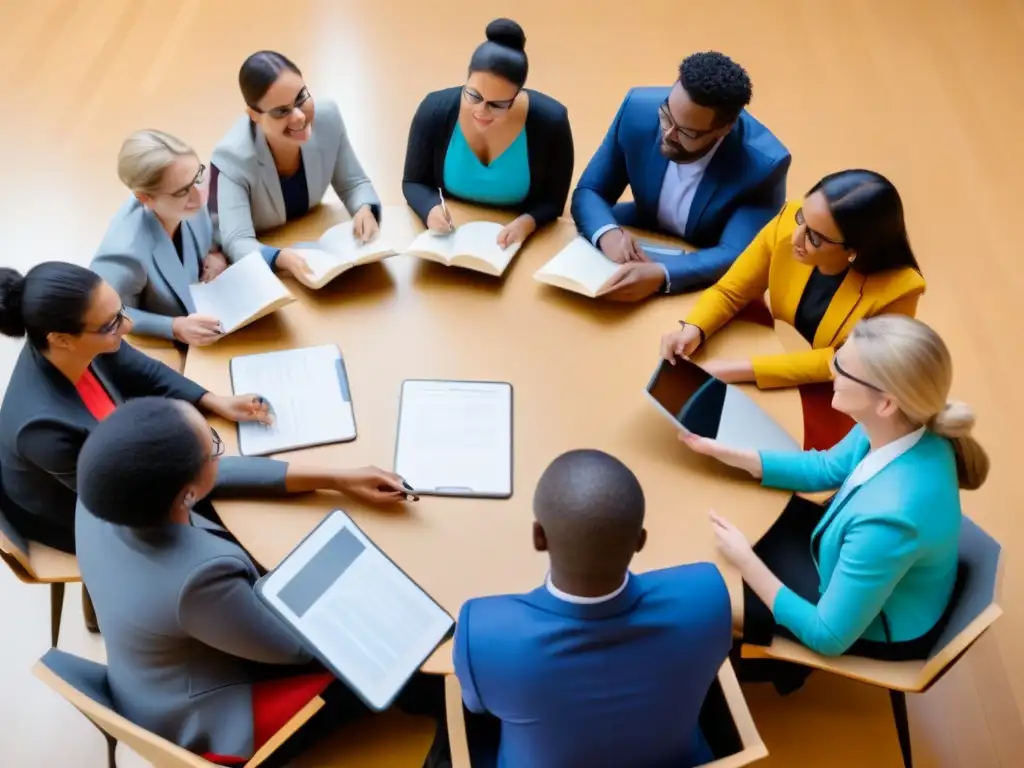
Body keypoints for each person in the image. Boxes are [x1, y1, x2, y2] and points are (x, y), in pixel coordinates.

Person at [75, 398, 446, 767]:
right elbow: (294, 649)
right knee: (405, 664)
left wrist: (337, 478)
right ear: (186, 492)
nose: (220, 456)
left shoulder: (107, 490)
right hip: (213, 715)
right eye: (214, 448)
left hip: (157, 674)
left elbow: (218, 475)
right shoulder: (199, 578)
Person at [0, 262, 411, 555]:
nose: (126, 328)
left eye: (121, 313)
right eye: (112, 325)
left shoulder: (85, 339)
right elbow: (144, 500)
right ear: (62, 338)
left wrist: (211, 400)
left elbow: (138, 368)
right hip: (90, 517)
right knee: (251, 549)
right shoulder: (43, 429)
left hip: (130, 475)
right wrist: (335, 478)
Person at [681, 315, 989, 659]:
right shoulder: (900, 424)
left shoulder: (890, 521)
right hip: (855, 558)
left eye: (844, 368)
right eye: (838, 355)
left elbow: (827, 635)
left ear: (885, 402)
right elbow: (826, 468)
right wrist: (733, 454)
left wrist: (746, 561)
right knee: (742, 520)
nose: (831, 370)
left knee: (713, 593)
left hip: (874, 624)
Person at [453, 449, 733, 767]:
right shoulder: (707, 596)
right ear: (640, 541)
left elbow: (475, 706)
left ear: (538, 537)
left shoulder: (482, 634)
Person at [661, 170, 926, 389]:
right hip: (778, 349)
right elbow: (732, 290)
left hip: (837, 390)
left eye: (815, 238)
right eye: (803, 219)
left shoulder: (900, 290)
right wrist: (693, 329)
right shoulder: (789, 221)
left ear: (854, 250)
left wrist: (741, 369)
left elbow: (848, 363)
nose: (796, 237)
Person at [571, 51, 790, 301]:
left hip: (703, 251)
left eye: (686, 132)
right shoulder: (637, 109)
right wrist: (607, 233)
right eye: (666, 116)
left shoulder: (765, 164)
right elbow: (590, 190)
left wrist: (662, 274)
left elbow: (736, 253)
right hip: (645, 223)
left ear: (724, 130)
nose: (667, 134)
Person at [211, 51, 382, 281]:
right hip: (222, 248)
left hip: (302, 230)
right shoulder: (232, 156)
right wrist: (281, 258)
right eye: (282, 111)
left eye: (301, 97)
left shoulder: (328, 117)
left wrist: (365, 209)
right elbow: (237, 240)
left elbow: (354, 183)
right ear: (254, 115)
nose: (300, 117)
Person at [402, 19, 574, 249]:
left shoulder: (551, 123)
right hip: (453, 236)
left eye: (497, 104)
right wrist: (430, 209)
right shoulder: (434, 111)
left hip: (514, 243)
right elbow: (414, 181)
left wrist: (526, 223)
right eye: (473, 95)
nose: (481, 111)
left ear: (517, 95)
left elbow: (553, 201)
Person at [90, 130, 226, 347]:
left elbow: (210, 227)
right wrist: (174, 327)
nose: (199, 196)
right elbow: (108, 315)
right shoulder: (124, 253)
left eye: (197, 177)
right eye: (182, 191)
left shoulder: (186, 198)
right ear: (145, 198)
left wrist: (215, 252)